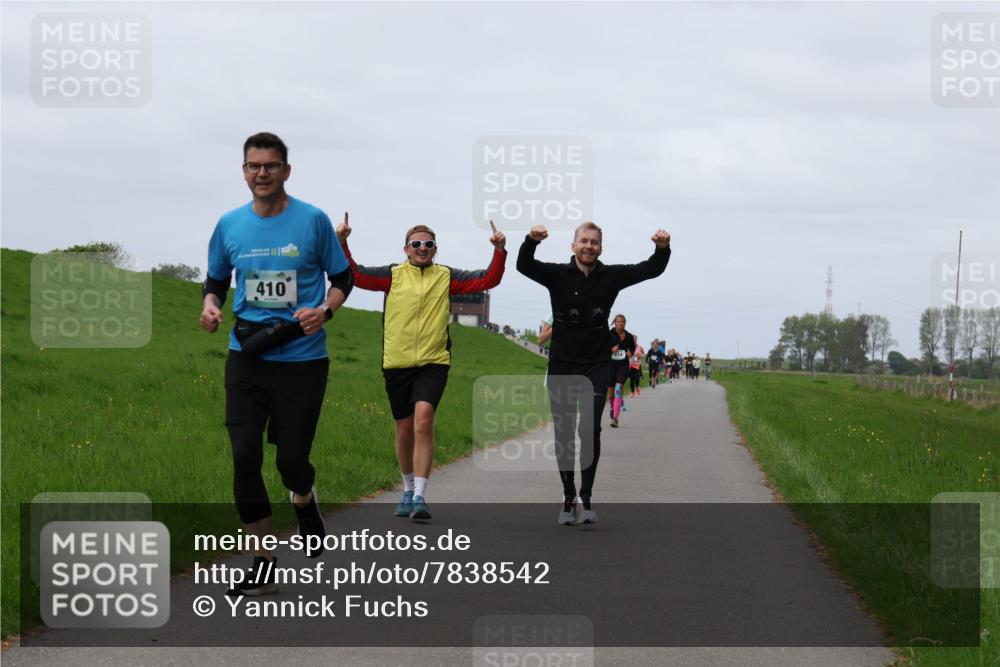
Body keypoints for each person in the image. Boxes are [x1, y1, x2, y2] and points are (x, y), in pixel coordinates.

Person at [201, 132, 353, 595]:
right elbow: (215, 278)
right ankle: (262, 560)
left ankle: (304, 498)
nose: (261, 173)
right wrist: (210, 305)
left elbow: (343, 276)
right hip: (247, 355)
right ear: (243, 171)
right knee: (244, 455)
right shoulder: (229, 225)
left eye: (270, 166)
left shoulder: (312, 221)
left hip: (303, 359)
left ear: (286, 170)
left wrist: (324, 310)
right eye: (253, 166)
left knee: (291, 461)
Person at [337, 216, 506, 521]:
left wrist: (499, 250)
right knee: (403, 430)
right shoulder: (392, 275)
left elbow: (488, 280)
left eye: (428, 244)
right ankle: (407, 488)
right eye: (416, 243)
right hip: (397, 363)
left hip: (433, 362)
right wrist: (343, 242)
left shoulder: (447, 276)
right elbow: (356, 275)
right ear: (406, 248)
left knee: (423, 421)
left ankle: (420, 496)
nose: (422, 248)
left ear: (435, 248)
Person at [517, 221, 671, 525]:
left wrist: (662, 248)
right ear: (573, 246)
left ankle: (586, 496)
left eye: (594, 243)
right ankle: (568, 495)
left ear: (601, 248)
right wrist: (530, 241)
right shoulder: (557, 274)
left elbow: (650, 269)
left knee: (589, 429)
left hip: (596, 365)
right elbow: (524, 265)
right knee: (564, 433)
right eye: (583, 241)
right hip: (562, 363)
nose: (589, 246)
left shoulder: (610, 277)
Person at [607, 315, 637, 428]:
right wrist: (611, 350)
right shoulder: (609, 334)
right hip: (610, 366)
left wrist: (630, 354)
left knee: (618, 388)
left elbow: (632, 350)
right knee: (610, 394)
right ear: (615, 323)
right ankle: (612, 406)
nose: (620, 324)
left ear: (625, 323)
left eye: (622, 322)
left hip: (623, 366)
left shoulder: (629, 336)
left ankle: (615, 418)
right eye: (618, 322)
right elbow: (602, 349)